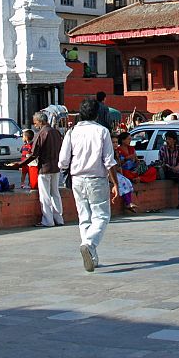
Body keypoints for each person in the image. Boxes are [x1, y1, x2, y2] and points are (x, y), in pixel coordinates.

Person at [58, 98, 118, 272]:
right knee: (101, 216)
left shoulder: (72, 132)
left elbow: (62, 161)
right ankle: (89, 245)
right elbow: (109, 161)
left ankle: (91, 254)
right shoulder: (102, 131)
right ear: (97, 114)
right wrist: (115, 183)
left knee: (84, 217)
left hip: (77, 178)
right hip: (96, 178)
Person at [23, 111, 65, 227]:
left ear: (40, 122)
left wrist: (20, 164)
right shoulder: (56, 132)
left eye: (35, 123)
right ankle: (59, 218)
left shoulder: (41, 133)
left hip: (44, 168)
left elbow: (34, 154)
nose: (35, 125)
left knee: (45, 195)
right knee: (55, 193)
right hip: (56, 167)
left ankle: (48, 220)